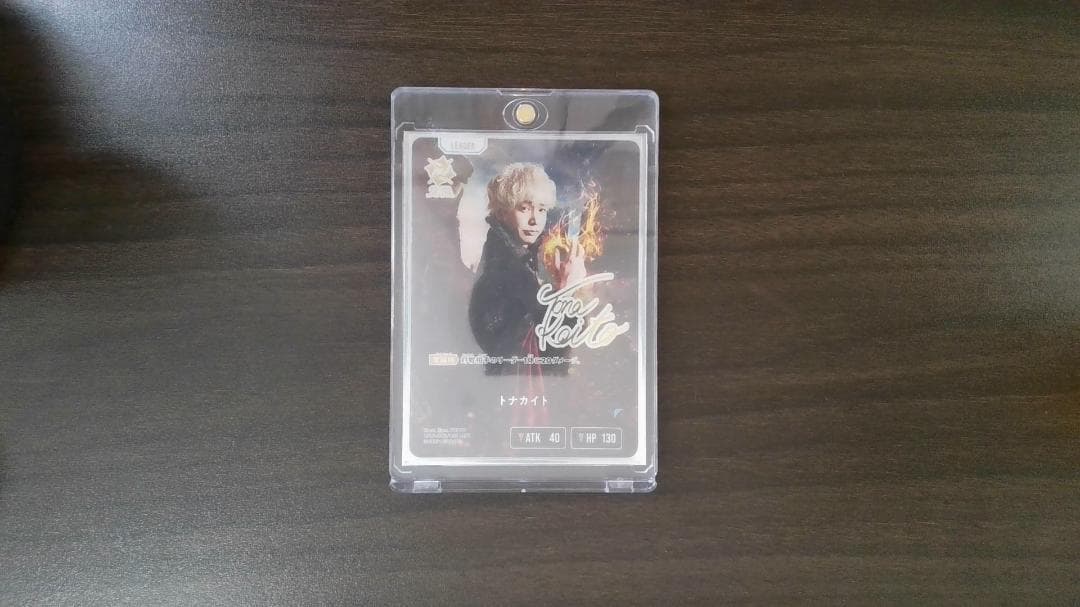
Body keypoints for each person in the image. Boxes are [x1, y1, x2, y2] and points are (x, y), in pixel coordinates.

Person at [468, 163, 585, 376]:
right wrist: (567, 290)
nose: (534, 220)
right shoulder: (507, 270)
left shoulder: (516, 261)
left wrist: (561, 289)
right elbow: (552, 351)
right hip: (516, 383)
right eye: (524, 208)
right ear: (501, 213)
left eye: (541, 209)